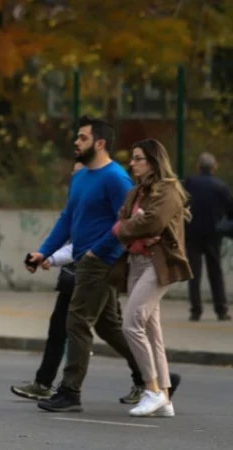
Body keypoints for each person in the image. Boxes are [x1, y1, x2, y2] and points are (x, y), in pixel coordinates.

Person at [26, 116, 178, 412]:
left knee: (77, 321)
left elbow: (129, 222)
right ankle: (157, 378)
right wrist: (44, 252)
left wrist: (100, 252)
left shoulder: (115, 178)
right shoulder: (80, 177)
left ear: (100, 143)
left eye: (82, 137)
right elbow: (68, 219)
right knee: (110, 328)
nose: (76, 142)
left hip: (100, 262)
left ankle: (70, 392)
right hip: (86, 259)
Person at [109, 138, 192, 417]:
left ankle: (152, 390)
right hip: (135, 262)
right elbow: (122, 222)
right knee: (152, 330)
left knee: (132, 324)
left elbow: (152, 222)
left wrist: (134, 225)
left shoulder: (168, 190)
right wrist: (135, 225)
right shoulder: (136, 192)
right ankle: (165, 398)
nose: (131, 164)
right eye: (131, 158)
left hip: (157, 265)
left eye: (137, 158)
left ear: (153, 161)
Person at [11, 162, 83, 401]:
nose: (74, 176)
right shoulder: (76, 203)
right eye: (73, 172)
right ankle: (44, 383)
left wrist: (51, 258)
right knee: (58, 329)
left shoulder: (97, 199)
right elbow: (62, 232)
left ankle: (148, 380)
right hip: (72, 279)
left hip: (94, 279)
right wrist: (43, 255)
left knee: (111, 332)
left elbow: (83, 245)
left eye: (79, 172)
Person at [182, 152, 232, 321]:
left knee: (194, 273)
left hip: (192, 233)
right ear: (214, 168)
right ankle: (221, 309)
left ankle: (195, 310)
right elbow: (230, 210)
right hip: (213, 234)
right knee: (215, 272)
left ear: (198, 167)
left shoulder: (189, 183)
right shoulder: (221, 186)